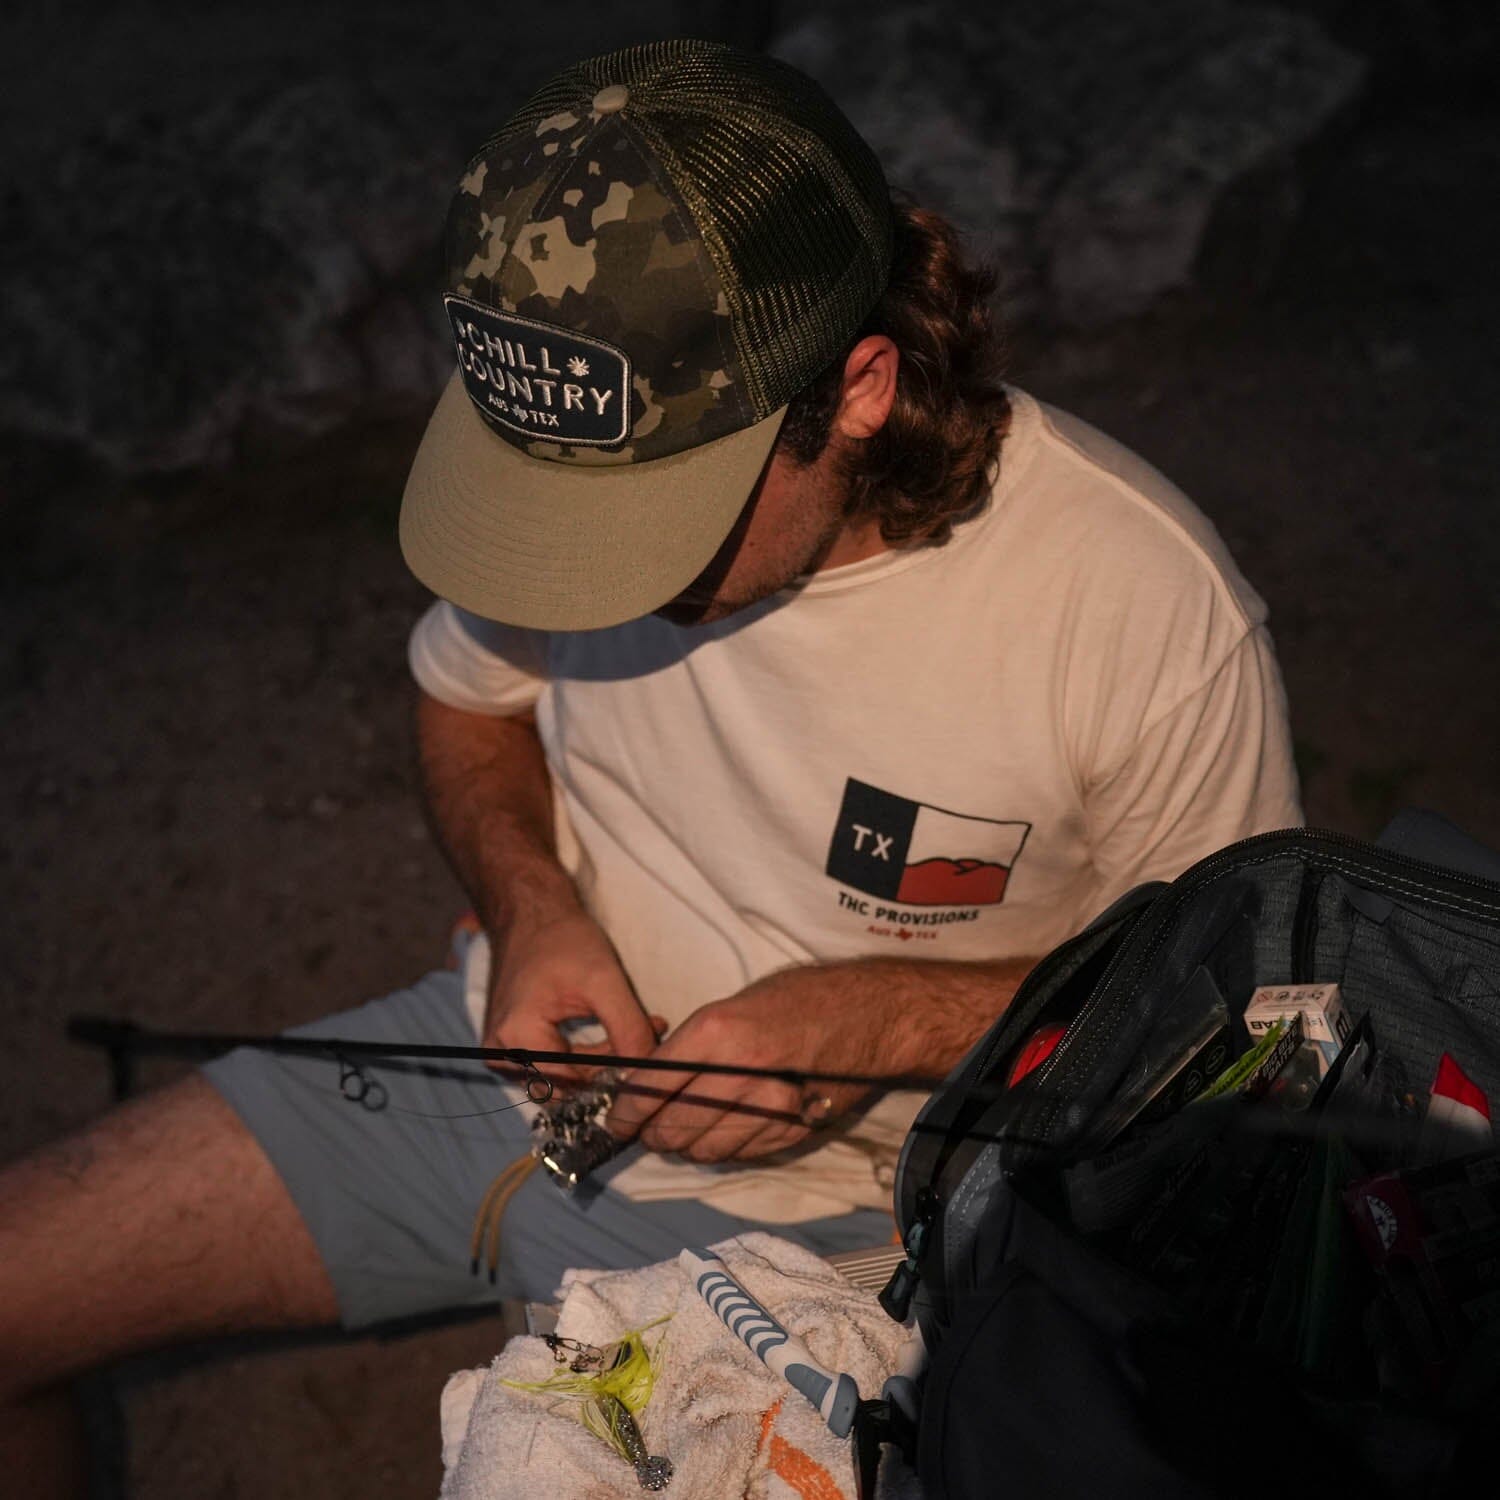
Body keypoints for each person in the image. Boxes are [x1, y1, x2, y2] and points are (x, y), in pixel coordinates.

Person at [0, 38, 1301, 1493]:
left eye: (655, 521)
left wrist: (880, 1021)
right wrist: (531, 905)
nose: (590, 576)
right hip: (491, 1080)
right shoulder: (579, 454)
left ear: (859, 388)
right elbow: (467, 700)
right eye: (559, 514)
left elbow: (1234, 1016)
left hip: (870, 1213)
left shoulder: (1139, 603)